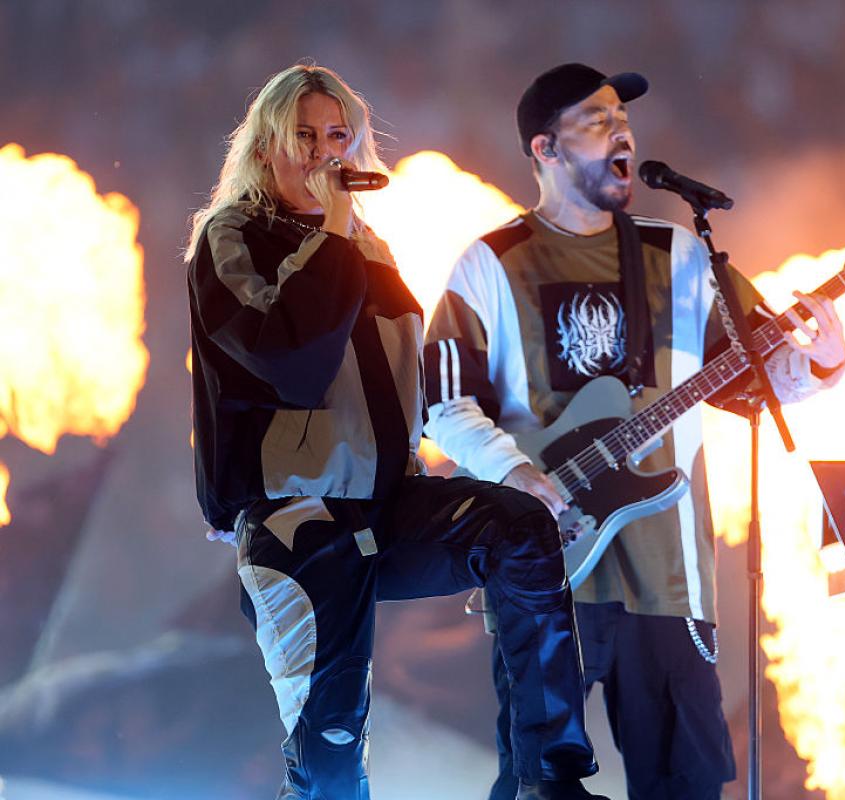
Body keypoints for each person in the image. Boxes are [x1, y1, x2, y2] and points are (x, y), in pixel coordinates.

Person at [422, 63, 845, 800]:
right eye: (595, 120)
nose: (621, 130)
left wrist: (824, 359)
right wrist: (514, 470)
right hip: (544, 573)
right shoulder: (488, 264)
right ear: (546, 150)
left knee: (684, 784)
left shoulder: (680, 255)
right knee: (538, 787)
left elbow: (753, 385)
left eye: (622, 116)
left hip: (670, 579)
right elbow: (445, 402)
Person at [184, 63, 607, 800]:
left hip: (385, 503)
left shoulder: (367, 249)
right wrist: (338, 235)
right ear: (265, 150)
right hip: (299, 519)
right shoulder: (233, 236)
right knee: (332, 762)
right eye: (304, 137)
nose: (324, 154)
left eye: (338, 136)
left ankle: (546, 780)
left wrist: (499, 460)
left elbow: (409, 383)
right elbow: (293, 360)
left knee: (520, 529)